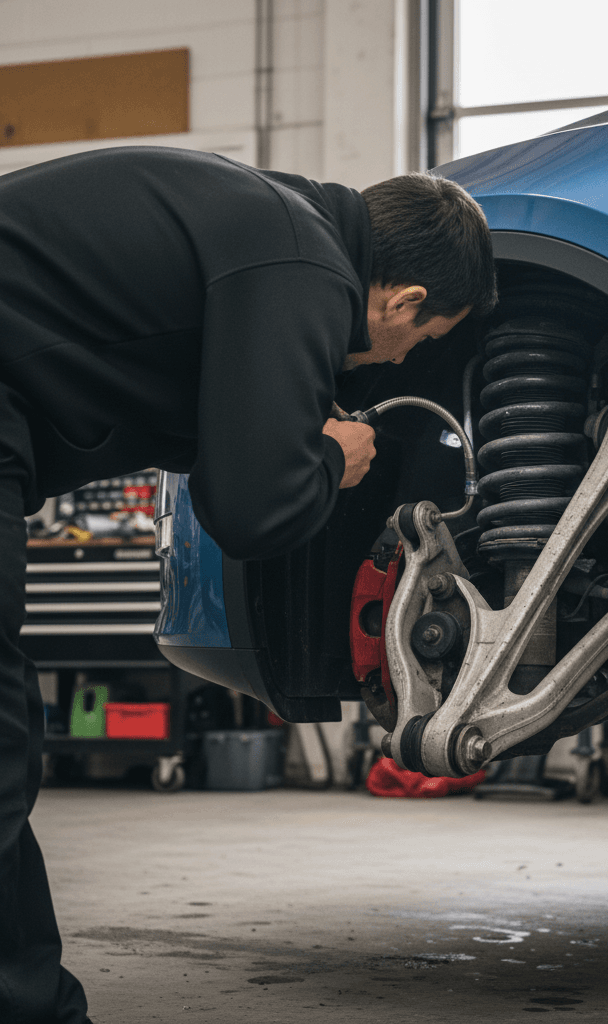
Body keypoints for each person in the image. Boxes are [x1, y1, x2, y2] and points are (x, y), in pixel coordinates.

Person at [0, 146, 497, 1023]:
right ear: (406, 299)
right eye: (420, 341)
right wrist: (326, 462)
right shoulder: (303, 261)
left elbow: (158, 388)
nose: (397, 361)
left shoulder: (272, 223)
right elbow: (252, 509)